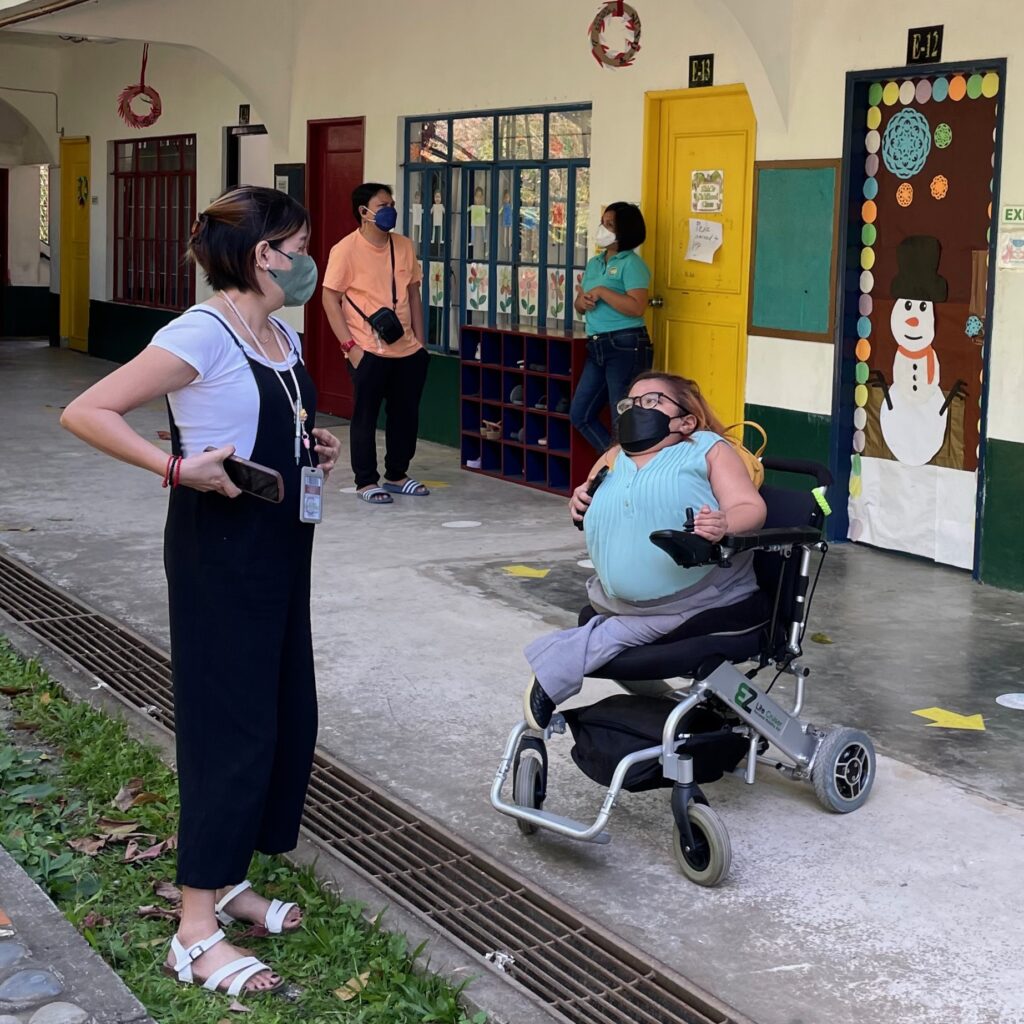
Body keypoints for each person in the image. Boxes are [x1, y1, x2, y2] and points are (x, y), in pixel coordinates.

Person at [60, 186, 342, 997]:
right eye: (300, 243)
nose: (308, 260)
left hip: (281, 550)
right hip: (220, 554)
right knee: (231, 729)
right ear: (266, 255)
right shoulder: (202, 330)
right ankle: (194, 929)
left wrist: (309, 451)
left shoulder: (276, 332)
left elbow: (267, 425)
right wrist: (177, 468)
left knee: (285, 715)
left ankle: (228, 879)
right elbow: (89, 409)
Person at [523, 371, 767, 730]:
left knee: (613, 634)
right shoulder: (613, 457)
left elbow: (750, 507)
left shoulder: (707, 449)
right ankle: (670, 699)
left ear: (687, 420)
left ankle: (554, 672)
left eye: (652, 400)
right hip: (618, 600)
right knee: (616, 627)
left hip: (699, 597)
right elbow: (593, 501)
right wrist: (578, 501)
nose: (638, 408)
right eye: (630, 403)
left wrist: (724, 523)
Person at [322, 183, 431, 505]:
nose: (390, 210)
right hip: (368, 350)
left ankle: (397, 475)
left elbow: (413, 294)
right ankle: (366, 480)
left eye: (392, 204)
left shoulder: (404, 246)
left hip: (408, 350)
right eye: (384, 204)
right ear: (364, 212)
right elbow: (331, 299)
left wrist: (421, 344)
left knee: (405, 415)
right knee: (366, 416)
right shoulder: (345, 249)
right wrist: (350, 348)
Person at [570, 202, 654, 453]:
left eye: (610, 225)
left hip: (626, 345)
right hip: (597, 345)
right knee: (580, 414)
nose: (602, 229)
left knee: (623, 420)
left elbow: (637, 307)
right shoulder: (595, 263)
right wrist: (581, 302)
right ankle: (615, 466)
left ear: (624, 231)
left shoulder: (632, 264)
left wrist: (603, 292)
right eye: (602, 223)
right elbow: (581, 303)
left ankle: (626, 476)